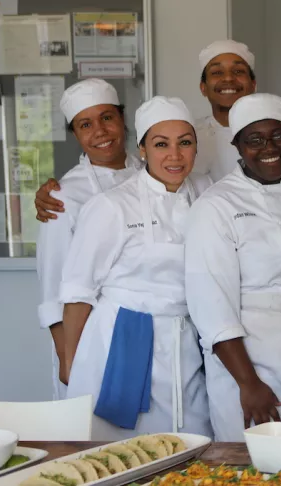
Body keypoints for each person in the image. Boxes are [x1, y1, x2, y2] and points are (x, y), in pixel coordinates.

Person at [185, 93, 281, 442]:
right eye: (254, 140)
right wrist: (248, 383)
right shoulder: (217, 206)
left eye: (279, 136)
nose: (269, 147)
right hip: (252, 356)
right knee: (257, 465)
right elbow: (211, 305)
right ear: (237, 145)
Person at [60, 97, 213, 440]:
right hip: (124, 336)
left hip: (187, 336)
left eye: (184, 143)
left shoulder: (209, 193)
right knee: (123, 446)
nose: (174, 155)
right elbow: (77, 292)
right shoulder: (111, 206)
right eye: (161, 144)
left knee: (191, 437)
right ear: (142, 149)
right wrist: (71, 361)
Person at [36, 79, 143, 400]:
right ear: (76, 134)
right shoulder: (64, 196)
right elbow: (53, 287)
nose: (100, 131)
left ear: (123, 120)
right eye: (86, 124)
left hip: (140, 330)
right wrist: (67, 357)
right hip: (87, 335)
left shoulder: (150, 174)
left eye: (107, 117)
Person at [192, 40, 257, 182]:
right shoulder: (189, 139)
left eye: (238, 71)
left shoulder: (276, 137)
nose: (228, 78)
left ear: (253, 84)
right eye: (217, 72)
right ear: (203, 88)